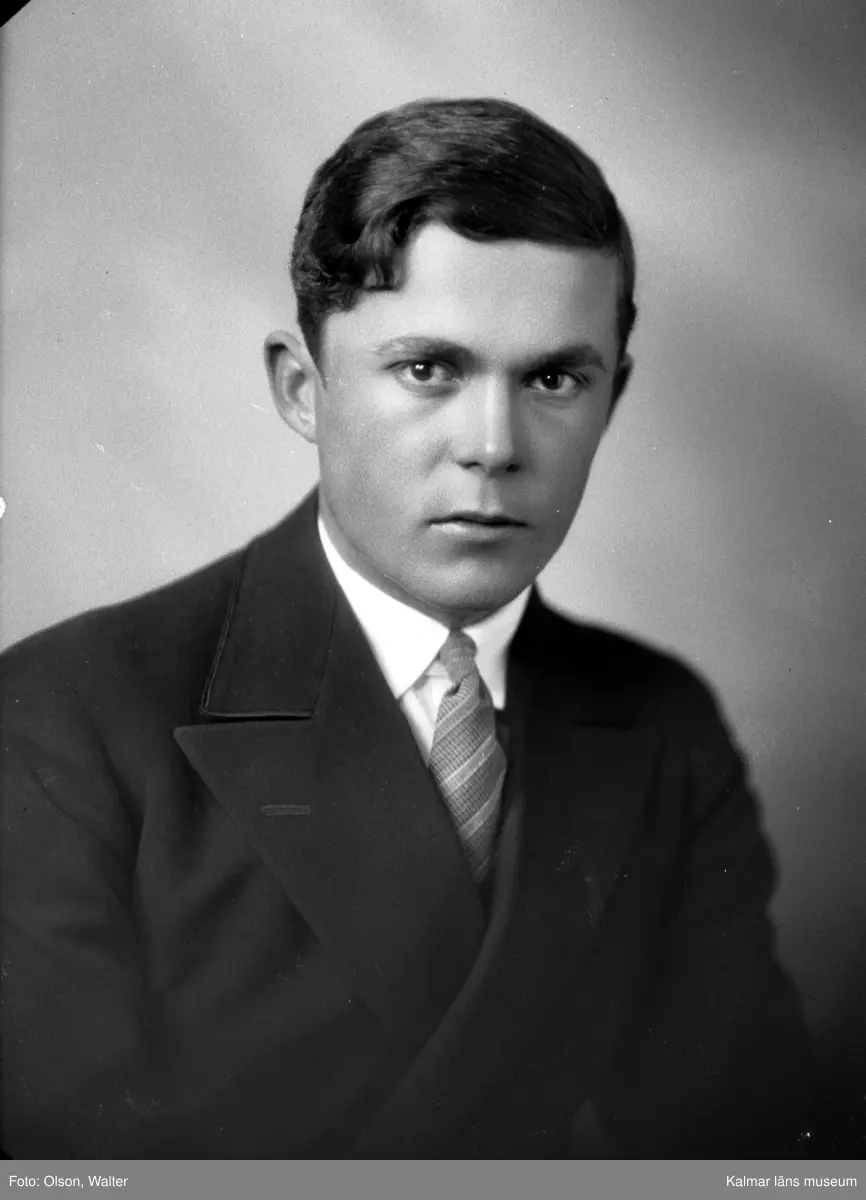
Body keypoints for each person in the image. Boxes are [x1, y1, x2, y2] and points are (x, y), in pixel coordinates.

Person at [0, 97, 811, 1159]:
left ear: (612, 398)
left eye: (555, 378)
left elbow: (748, 1164)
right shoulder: (66, 717)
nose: (493, 445)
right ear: (302, 388)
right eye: (430, 369)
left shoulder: (662, 726)